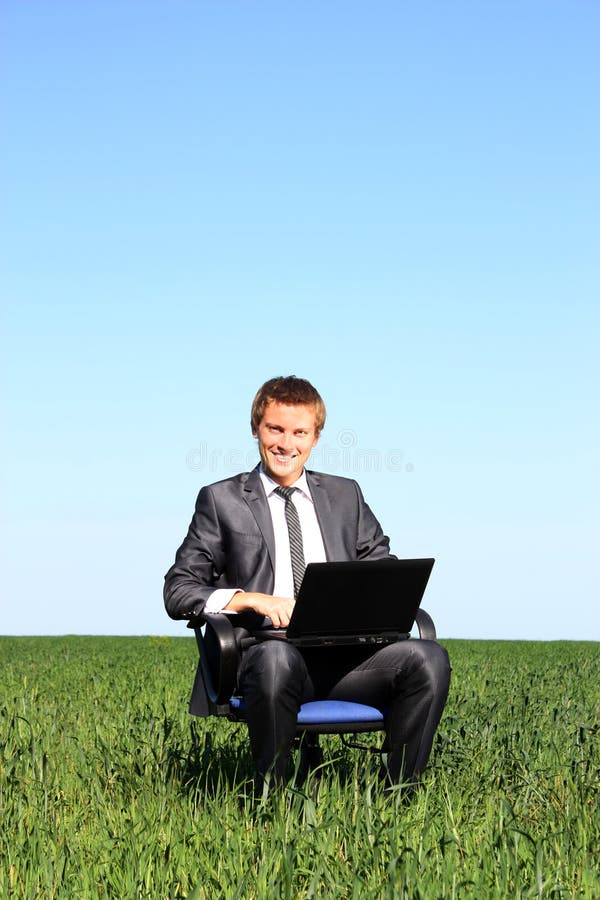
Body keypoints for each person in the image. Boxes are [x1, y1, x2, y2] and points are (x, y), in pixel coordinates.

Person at [164, 376, 450, 786]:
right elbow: (178, 589)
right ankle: (274, 803)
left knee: (428, 658)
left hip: (347, 661)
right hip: (267, 655)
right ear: (256, 430)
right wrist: (250, 600)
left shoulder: (345, 495)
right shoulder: (220, 499)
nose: (286, 443)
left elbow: (381, 568)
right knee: (277, 660)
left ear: (315, 437)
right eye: (275, 429)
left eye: (299, 432)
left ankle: (399, 800)